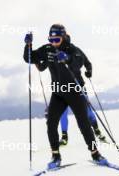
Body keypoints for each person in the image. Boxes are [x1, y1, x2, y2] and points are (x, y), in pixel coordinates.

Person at [23, 24, 108, 169]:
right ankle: (56, 156)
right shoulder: (48, 49)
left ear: (63, 37)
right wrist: (28, 46)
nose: (53, 42)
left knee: (84, 124)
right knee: (51, 123)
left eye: (56, 39)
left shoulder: (72, 49)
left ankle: (95, 154)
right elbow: (29, 58)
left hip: (75, 92)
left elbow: (78, 62)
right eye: (51, 39)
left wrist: (67, 59)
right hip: (58, 93)